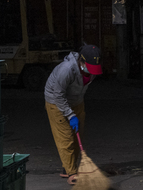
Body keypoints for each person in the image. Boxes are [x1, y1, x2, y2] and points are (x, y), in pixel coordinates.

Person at [44, 44, 103, 182]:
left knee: (77, 135)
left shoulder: (92, 71)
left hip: (76, 101)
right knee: (66, 138)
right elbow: (58, 95)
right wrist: (70, 115)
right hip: (55, 100)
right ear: (81, 61)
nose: (91, 72)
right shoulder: (66, 70)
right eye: (88, 67)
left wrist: (74, 111)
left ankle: (69, 166)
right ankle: (71, 174)